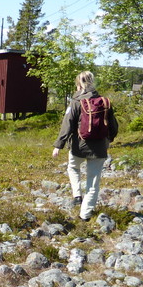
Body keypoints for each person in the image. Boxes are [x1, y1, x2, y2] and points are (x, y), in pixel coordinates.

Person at [51, 71, 119, 221]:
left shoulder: (76, 101)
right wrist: (108, 140)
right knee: (93, 182)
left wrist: (58, 145)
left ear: (79, 83)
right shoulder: (105, 101)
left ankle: (77, 195)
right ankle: (85, 215)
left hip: (78, 146)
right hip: (99, 147)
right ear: (93, 82)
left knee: (73, 167)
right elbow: (113, 126)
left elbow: (67, 124)